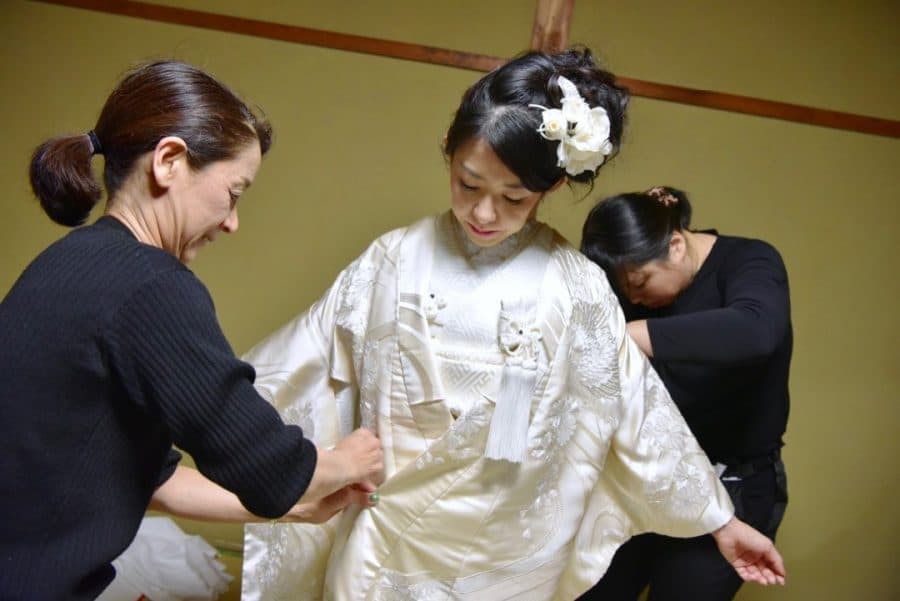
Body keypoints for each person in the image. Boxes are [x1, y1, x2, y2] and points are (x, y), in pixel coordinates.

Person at [240, 49, 785, 600]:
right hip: (386, 531)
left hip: (503, 554)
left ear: (547, 189)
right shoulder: (392, 257)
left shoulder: (575, 286)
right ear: (449, 156)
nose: (483, 214)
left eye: (512, 198)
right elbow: (297, 363)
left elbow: (637, 412)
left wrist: (721, 521)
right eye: (467, 184)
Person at [0, 60, 384, 600]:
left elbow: (155, 482)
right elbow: (265, 464)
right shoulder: (151, 284)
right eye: (234, 192)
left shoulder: (69, 259)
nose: (232, 222)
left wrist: (297, 508)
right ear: (170, 160)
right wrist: (348, 460)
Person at [579, 186, 791, 600]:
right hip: (646, 475)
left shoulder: (750, 261)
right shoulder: (632, 287)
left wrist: (631, 334)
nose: (635, 299)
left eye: (639, 283)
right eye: (625, 293)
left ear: (676, 245)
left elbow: (755, 330)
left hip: (732, 484)